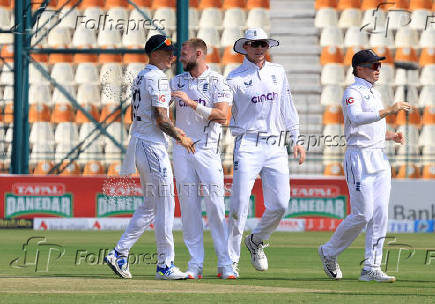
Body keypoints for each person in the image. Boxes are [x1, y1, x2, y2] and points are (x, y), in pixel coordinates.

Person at [104, 34, 195, 280]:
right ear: (154, 53)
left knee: (152, 206)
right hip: (151, 147)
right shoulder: (155, 77)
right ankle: (165, 265)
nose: (172, 57)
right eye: (167, 53)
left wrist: (173, 131)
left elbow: (151, 118)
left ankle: (119, 253)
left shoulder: (142, 75)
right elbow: (161, 119)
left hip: (143, 143)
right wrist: (180, 137)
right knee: (165, 205)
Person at [318, 49, 412, 282]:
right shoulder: (352, 91)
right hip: (359, 158)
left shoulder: (373, 93)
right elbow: (357, 117)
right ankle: (328, 251)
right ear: (359, 68)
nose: (378, 69)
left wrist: (390, 136)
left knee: (380, 215)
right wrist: (390, 110)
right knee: (363, 214)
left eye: (379, 66)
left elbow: (372, 128)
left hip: (379, 157)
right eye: (373, 66)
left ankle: (371, 267)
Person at [226, 28, 306, 276]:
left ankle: (257, 240)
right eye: (254, 44)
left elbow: (287, 106)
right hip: (247, 143)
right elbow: (224, 112)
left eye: (263, 44)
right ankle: (230, 262)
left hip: (275, 144)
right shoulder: (234, 78)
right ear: (245, 48)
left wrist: (297, 139)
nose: (259, 48)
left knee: (281, 203)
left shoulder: (278, 72)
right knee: (239, 204)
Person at [169, 38, 237, 280]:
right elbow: (163, 112)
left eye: (185, 54)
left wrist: (192, 104)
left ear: (199, 53)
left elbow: (223, 116)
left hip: (207, 151)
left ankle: (225, 263)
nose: (180, 58)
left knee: (216, 207)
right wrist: (174, 131)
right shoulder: (176, 81)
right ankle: (195, 264)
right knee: (189, 209)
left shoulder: (218, 81)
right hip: (181, 150)